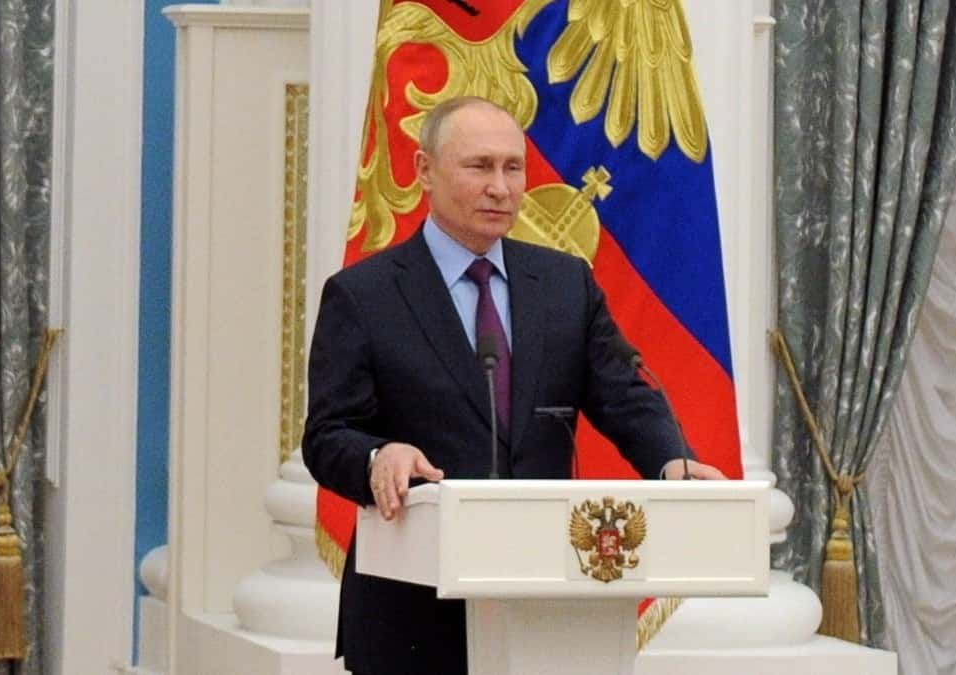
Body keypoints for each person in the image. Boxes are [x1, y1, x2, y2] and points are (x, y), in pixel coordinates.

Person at [302, 96, 725, 675]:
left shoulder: (565, 283)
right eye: (479, 166)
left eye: (513, 168)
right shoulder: (363, 295)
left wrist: (671, 459)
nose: (500, 188)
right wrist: (380, 455)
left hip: (547, 599)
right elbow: (328, 435)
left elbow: (623, 394)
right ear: (425, 169)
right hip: (412, 611)